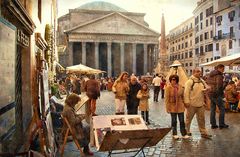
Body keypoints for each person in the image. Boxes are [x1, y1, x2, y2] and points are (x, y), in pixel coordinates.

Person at [184, 68, 212, 139]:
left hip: (201, 104)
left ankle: (203, 133)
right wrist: (186, 102)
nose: (200, 73)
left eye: (200, 72)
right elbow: (186, 92)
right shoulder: (189, 81)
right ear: (193, 72)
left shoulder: (202, 81)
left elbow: (207, 87)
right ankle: (186, 131)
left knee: (202, 119)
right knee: (188, 119)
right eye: (198, 72)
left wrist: (208, 89)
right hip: (191, 104)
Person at [165, 74, 189, 139]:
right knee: (174, 121)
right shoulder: (168, 88)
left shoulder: (181, 87)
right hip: (172, 106)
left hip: (180, 106)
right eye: (172, 80)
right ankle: (174, 133)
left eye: (175, 79)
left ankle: (184, 133)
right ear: (170, 80)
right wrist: (167, 108)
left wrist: (185, 104)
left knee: (181, 121)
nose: (173, 81)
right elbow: (166, 99)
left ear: (177, 80)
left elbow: (183, 96)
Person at [207, 64, 229, 129]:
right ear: (219, 68)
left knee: (212, 109)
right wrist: (225, 84)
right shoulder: (219, 75)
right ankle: (221, 124)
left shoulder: (210, 75)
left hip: (210, 94)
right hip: (216, 94)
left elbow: (208, 83)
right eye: (222, 69)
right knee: (222, 109)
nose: (223, 70)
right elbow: (219, 87)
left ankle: (213, 124)